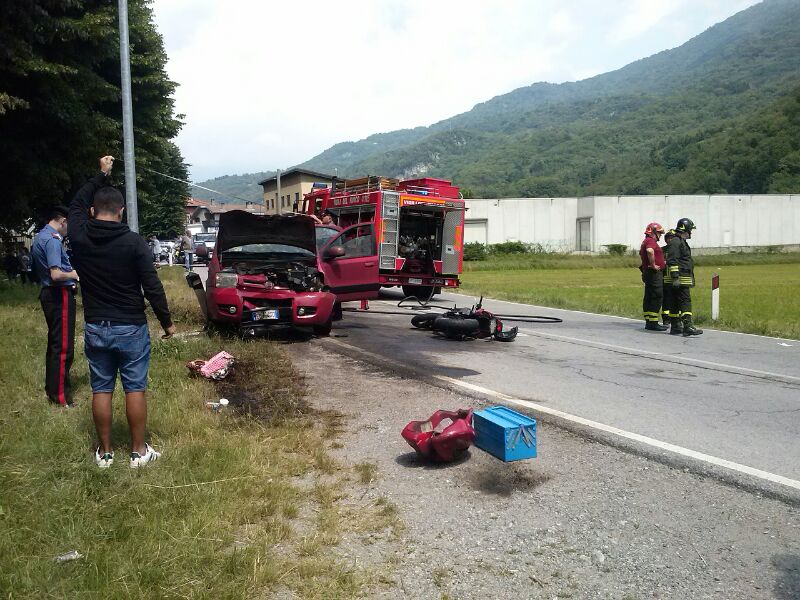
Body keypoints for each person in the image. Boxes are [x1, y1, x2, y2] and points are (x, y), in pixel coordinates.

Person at [69, 155, 176, 468]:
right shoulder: (134, 242)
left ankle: (105, 454)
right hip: (130, 327)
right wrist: (167, 323)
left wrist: (101, 175)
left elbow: (75, 205)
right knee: (134, 388)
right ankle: (138, 452)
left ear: (92, 211)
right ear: (122, 211)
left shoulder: (80, 237)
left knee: (101, 388)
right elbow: (152, 286)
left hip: (95, 326)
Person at [31, 205, 80, 405]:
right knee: (63, 347)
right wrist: (75, 274)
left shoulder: (40, 237)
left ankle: (52, 389)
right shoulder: (52, 240)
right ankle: (60, 397)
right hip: (59, 294)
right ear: (63, 221)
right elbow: (56, 274)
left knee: (55, 344)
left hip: (50, 294)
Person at [666, 217, 702, 337]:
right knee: (685, 301)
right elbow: (672, 260)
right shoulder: (676, 242)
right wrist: (675, 277)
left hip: (681, 277)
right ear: (685, 229)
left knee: (675, 302)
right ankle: (688, 326)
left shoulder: (679, 241)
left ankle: (676, 326)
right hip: (681, 278)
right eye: (690, 230)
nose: (691, 232)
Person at [639, 222, 667, 331]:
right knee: (657, 295)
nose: (660, 235)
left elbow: (642, 253)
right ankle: (653, 322)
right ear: (653, 232)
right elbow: (650, 251)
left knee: (649, 296)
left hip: (648, 272)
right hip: (654, 273)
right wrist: (653, 265)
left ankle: (649, 321)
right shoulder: (651, 241)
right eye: (659, 233)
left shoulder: (645, 241)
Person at [660, 230, 677, 331]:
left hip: (676, 278)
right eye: (668, 238)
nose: (670, 240)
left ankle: (677, 319)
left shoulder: (678, 249)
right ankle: (666, 319)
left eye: (672, 238)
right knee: (666, 300)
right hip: (665, 278)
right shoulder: (662, 250)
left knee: (676, 299)